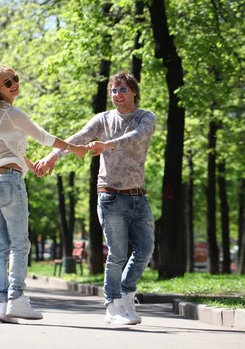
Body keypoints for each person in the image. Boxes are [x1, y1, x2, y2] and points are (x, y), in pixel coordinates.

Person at [0, 64, 88, 323]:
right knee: (20, 243)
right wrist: (74, 148)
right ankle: (17, 298)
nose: (14, 84)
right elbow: (44, 137)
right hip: (9, 182)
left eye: (15, 79)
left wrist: (31, 165)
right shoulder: (12, 113)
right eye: (7, 83)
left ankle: (0, 303)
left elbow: (7, 149)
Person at [35, 72, 156, 325]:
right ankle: (112, 306)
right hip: (110, 196)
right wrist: (53, 156)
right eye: (113, 91)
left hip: (138, 197)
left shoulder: (145, 117)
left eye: (122, 90)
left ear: (134, 91)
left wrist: (106, 145)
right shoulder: (102, 119)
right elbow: (77, 138)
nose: (117, 95)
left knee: (145, 250)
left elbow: (135, 138)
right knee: (117, 253)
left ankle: (125, 295)